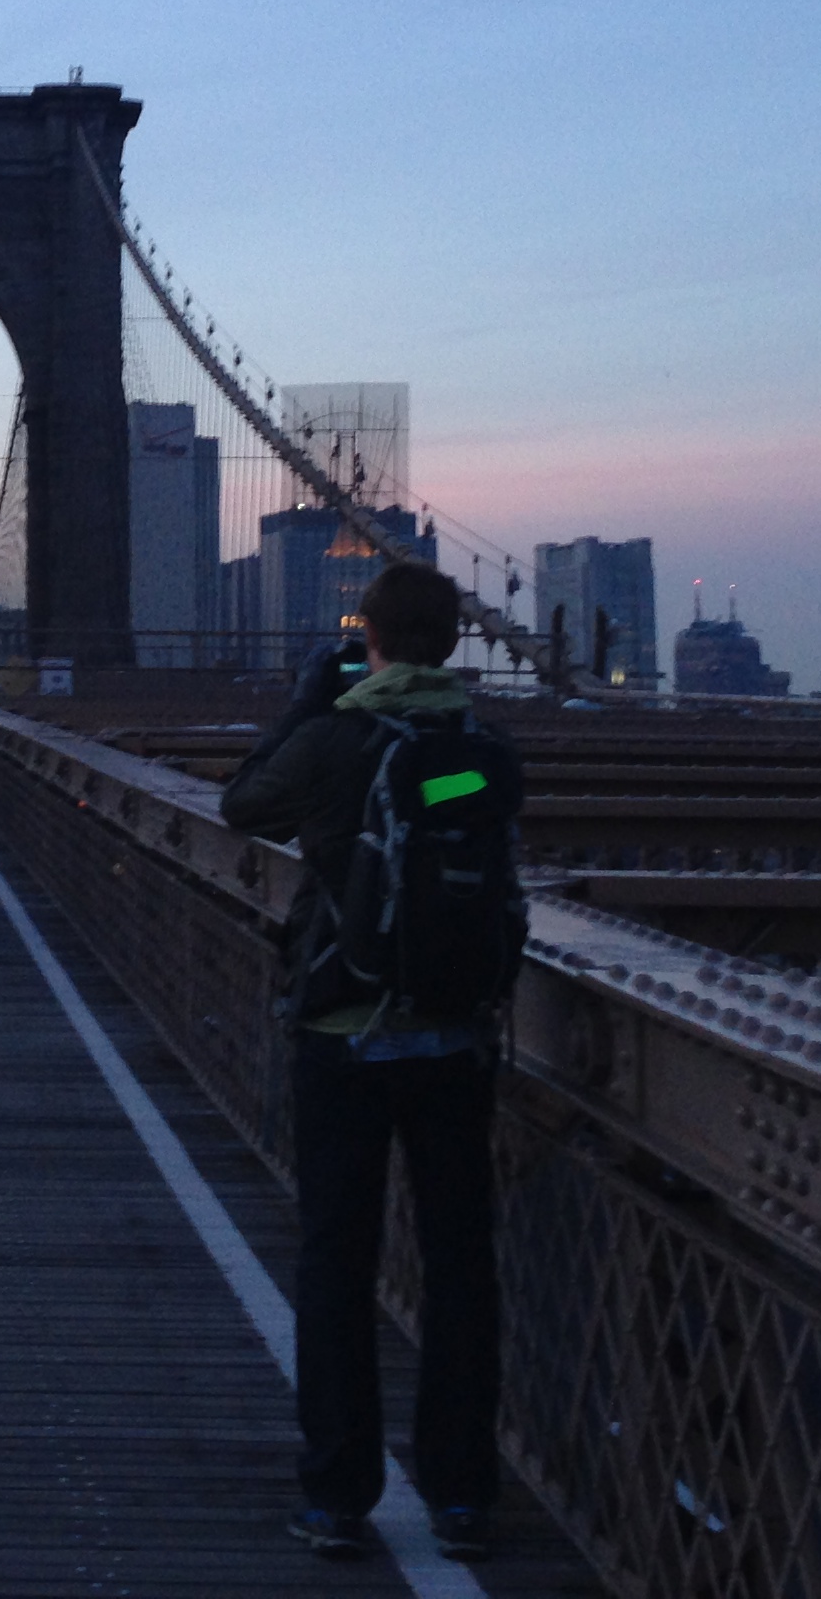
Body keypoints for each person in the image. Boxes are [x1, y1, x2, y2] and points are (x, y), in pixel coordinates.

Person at [220, 560, 521, 1564]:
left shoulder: (335, 740)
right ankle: (463, 1497)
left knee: (337, 1264)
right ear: (455, 643)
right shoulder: (482, 749)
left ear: (372, 640)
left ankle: (338, 1497)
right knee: (460, 1267)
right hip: (456, 1038)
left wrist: (306, 706)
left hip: (344, 1034)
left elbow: (242, 806)